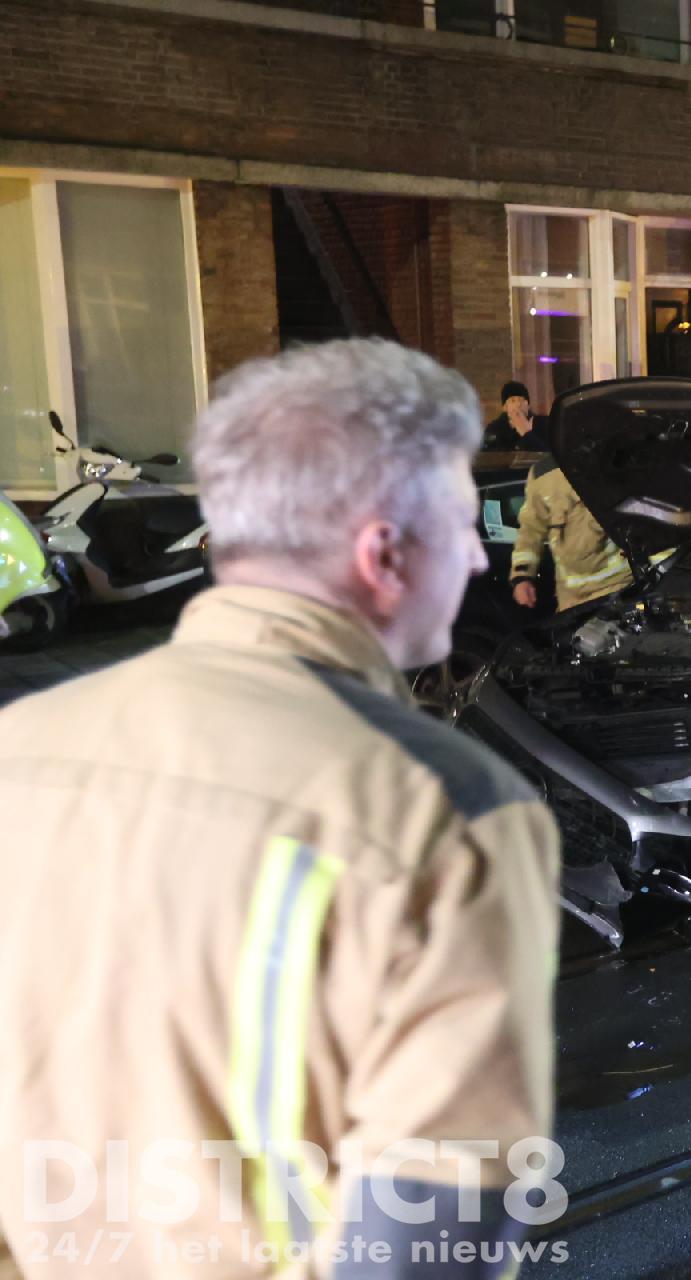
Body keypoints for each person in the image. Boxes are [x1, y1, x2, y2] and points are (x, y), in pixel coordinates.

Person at [0, 340, 561, 1275]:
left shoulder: (23, 747)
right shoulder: (446, 811)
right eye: (465, 521)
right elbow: (429, 1230)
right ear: (384, 552)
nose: (475, 555)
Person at [511, 453, 634, 611]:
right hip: (570, 598)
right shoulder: (541, 473)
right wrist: (522, 577)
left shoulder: (606, 459)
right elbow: (530, 529)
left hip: (618, 586)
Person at [480, 378, 549, 452]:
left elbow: (549, 455)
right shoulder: (494, 429)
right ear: (505, 407)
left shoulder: (543, 423)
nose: (518, 404)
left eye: (522, 400)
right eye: (513, 400)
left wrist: (526, 434)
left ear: (528, 405)